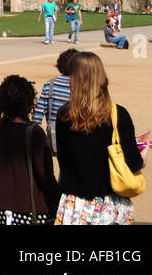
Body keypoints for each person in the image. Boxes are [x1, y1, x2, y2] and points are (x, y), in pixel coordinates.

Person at [54, 52, 144, 224]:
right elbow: (133, 163)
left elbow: (64, 161)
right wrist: (143, 157)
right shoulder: (119, 114)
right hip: (109, 204)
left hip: (74, 205)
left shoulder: (64, 115)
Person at [0, 74, 60, 224]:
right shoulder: (35, 133)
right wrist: (59, 198)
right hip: (34, 210)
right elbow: (45, 175)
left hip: (3, 209)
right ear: (28, 101)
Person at [32, 49, 78, 157]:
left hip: (55, 137)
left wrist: (36, 138)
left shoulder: (50, 84)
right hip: (77, 136)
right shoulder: (82, 86)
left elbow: (38, 114)